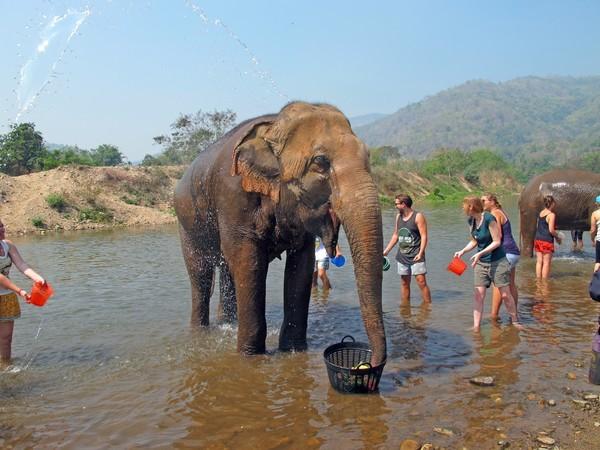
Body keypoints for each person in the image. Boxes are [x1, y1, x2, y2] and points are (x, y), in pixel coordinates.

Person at [454, 197, 521, 330]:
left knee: (505, 294)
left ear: (471, 207)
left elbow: (497, 241)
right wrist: (463, 251)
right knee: (479, 295)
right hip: (481, 263)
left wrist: (480, 253)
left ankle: (515, 321)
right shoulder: (471, 221)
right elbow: (474, 241)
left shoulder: (490, 218)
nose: (463, 208)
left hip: (498, 261)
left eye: (464, 206)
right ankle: (476, 326)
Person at [0, 219, 45, 364]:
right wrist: (20, 291)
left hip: (6, 297)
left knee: (6, 338)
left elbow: (22, 264)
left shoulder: (8, 245)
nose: (2, 229)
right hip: (12, 290)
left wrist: (38, 279)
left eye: (1, 225)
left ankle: (6, 366)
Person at [383, 194, 432, 304]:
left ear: (403, 204)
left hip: (416, 255)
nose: (395, 206)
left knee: (421, 282)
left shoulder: (418, 216)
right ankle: (405, 307)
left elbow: (424, 236)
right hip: (402, 256)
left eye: (396, 204)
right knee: (404, 283)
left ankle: (428, 307)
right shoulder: (398, 217)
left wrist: (421, 252)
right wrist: (386, 251)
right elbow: (396, 235)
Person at [481, 193, 520, 319]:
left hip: (505, 253)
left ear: (492, 201)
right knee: (511, 284)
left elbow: (498, 237)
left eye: (484, 200)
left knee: (497, 286)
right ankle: (514, 313)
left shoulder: (494, 214)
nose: (482, 203)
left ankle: (494, 315)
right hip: (513, 252)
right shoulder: (501, 212)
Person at [534, 195, 562, 278]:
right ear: (552, 203)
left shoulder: (541, 213)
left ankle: (538, 281)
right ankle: (545, 283)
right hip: (546, 240)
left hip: (538, 239)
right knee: (546, 262)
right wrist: (558, 237)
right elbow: (551, 230)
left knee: (539, 261)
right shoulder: (551, 215)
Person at [590, 195, 600, 273]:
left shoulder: (595, 214)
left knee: (598, 262)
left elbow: (593, 230)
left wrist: (592, 239)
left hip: (599, 240)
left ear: (597, 204)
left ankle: (595, 281)